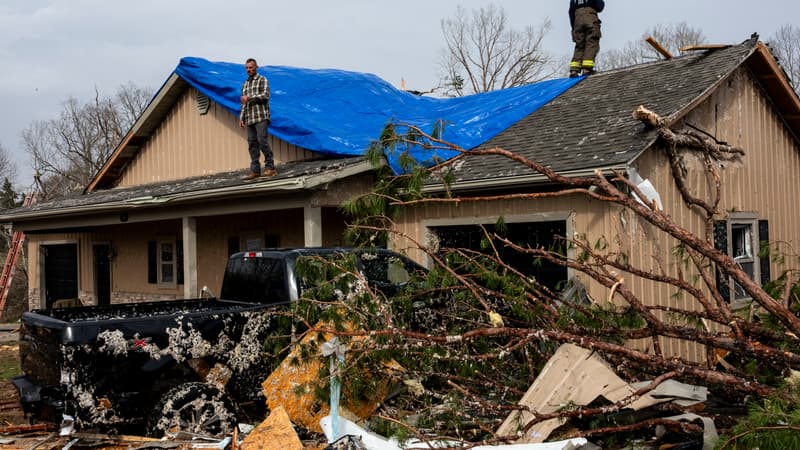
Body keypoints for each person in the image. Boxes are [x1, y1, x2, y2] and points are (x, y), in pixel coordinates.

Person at [240, 58, 276, 180]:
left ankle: (270, 167)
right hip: (249, 118)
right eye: (247, 68)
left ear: (256, 67)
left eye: (251, 67)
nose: (248, 70)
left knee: (262, 141)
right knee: (252, 144)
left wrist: (249, 98)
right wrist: (242, 118)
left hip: (261, 116)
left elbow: (265, 95)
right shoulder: (245, 84)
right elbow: (244, 104)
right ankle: (255, 170)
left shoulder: (262, 79)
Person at [569, 0, 605, 78]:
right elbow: (600, 7)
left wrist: (573, 28)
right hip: (590, 18)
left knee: (579, 45)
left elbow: (571, 12)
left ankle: (574, 70)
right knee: (591, 42)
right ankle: (587, 69)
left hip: (577, 21)